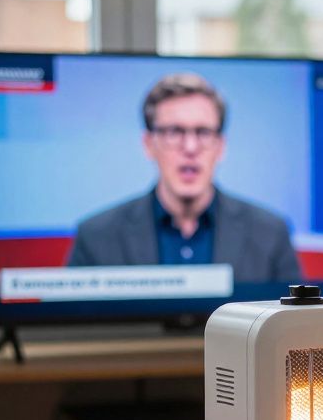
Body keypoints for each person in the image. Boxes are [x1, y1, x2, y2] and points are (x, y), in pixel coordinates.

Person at [67, 73, 300, 284]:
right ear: (149, 144)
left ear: (221, 146)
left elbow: (293, 326)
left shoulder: (270, 233)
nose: (190, 147)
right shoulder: (96, 237)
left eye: (203, 132)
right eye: (173, 132)